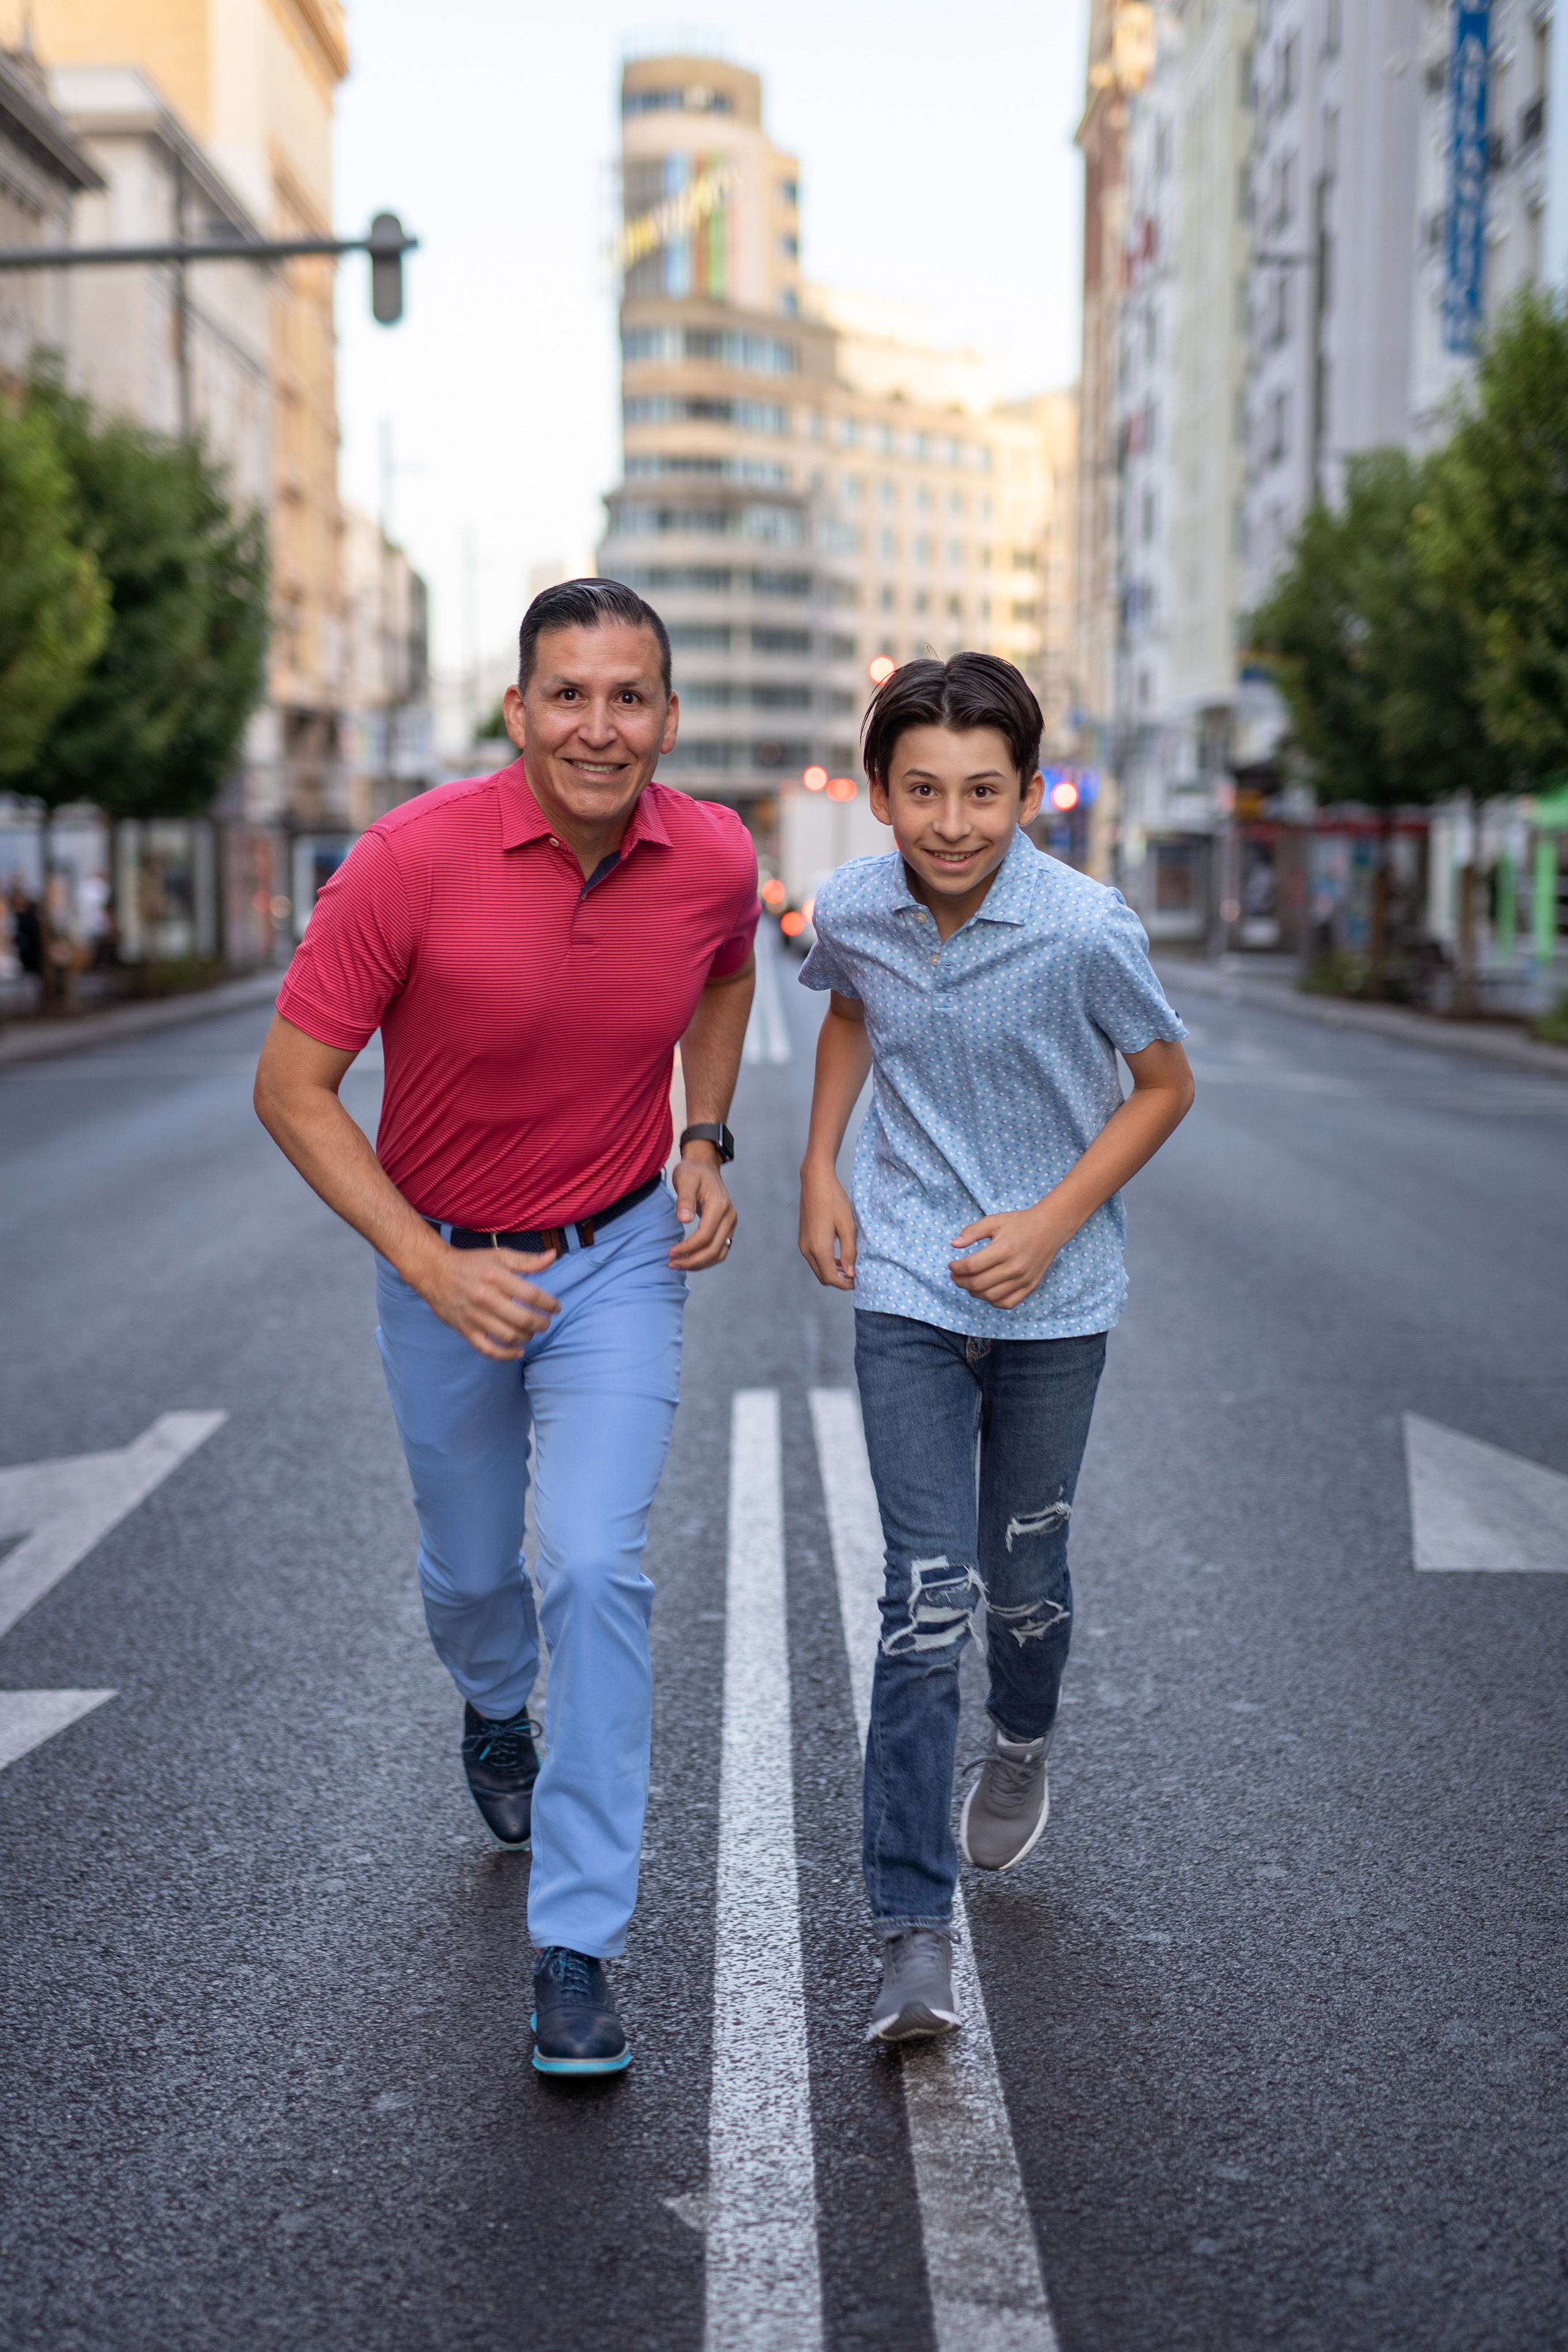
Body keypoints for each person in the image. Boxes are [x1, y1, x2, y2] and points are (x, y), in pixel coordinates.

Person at [255, 579, 758, 2076]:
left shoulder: (713, 853)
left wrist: (704, 1136)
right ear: (518, 710)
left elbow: (726, 972)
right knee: (475, 1575)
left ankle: (578, 1945)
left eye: (629, 698)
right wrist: (427, 1263)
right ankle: (492, 1712)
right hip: (446, 1268)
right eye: (569, 695)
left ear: (667, 717)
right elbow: (291, 1088)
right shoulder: (409, 861)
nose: (599, 727)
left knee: (593, 1566)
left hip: (615, 1259)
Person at [797, 654, 1194, 2044]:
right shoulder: (852, 906)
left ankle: (1019, 1736)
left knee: (1021, 1579)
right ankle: (907, 1935)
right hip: (909, 1281)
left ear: (1027, 794)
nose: (951, 822)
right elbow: (846, 1005)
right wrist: (818, 1171)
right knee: (923, 1598)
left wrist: (1050, 1221)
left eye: (981, 793)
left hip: (1055, 1296)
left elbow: (1162, 1085)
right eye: (921, 792)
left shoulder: (1084, 929)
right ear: (878, 797)